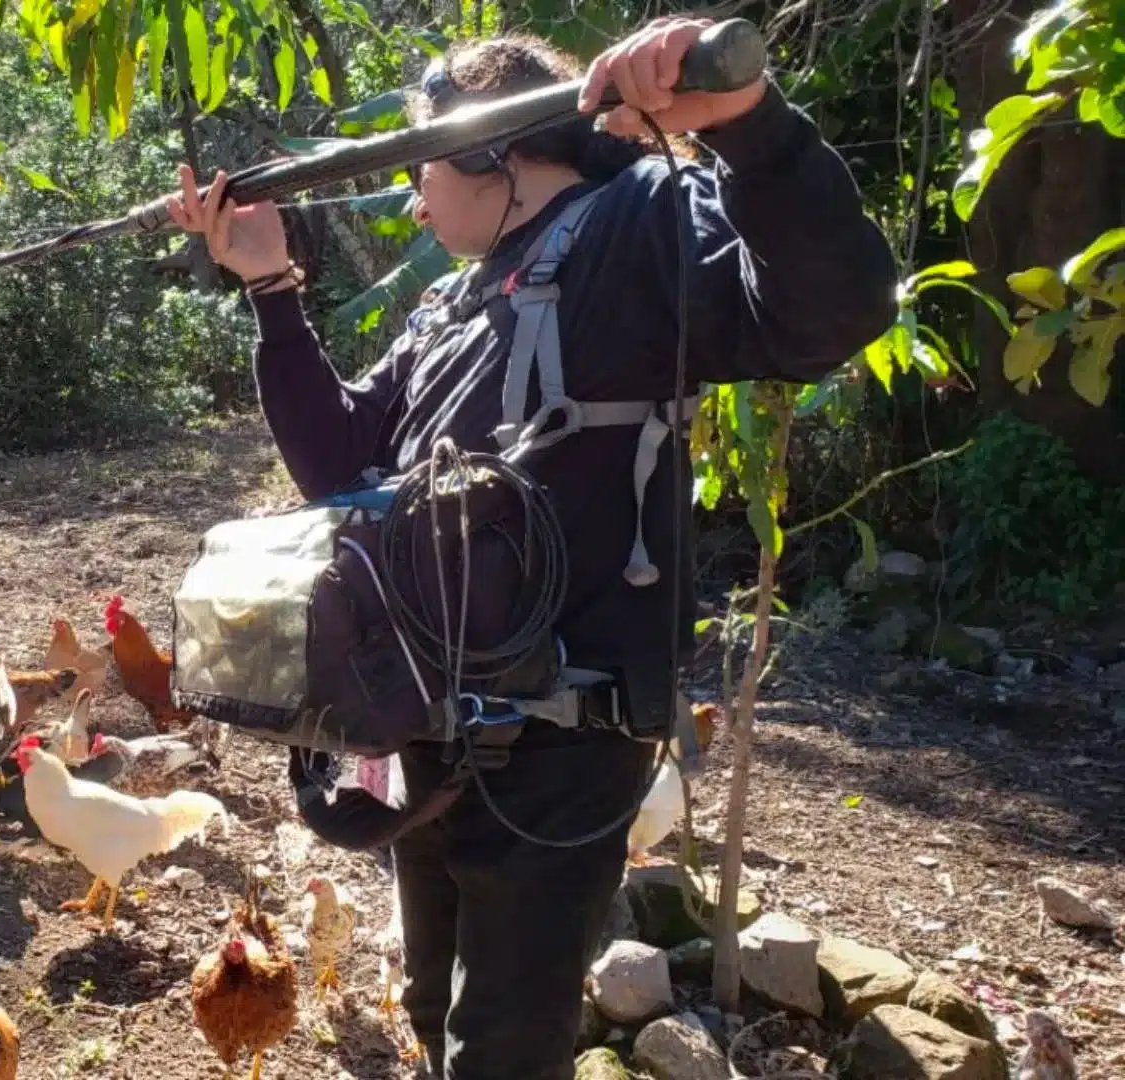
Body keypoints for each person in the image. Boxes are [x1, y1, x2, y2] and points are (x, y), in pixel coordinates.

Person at [168, 15, 896, 1080]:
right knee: (430, 1002)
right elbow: (338, 466)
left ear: (491, 152)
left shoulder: (639, 222)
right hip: (425, 724)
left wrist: (747, 126)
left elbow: (831, 308)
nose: (416, 201)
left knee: (503, 1047)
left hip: (562, 742)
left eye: (427, 169)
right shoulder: (451, 300)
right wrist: (271, 288)